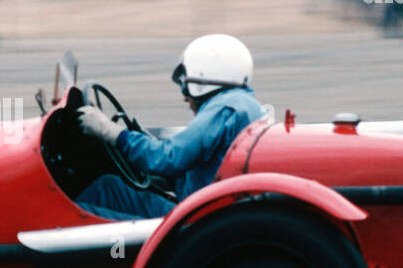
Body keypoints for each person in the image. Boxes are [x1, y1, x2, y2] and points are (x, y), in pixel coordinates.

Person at [73, 34, 265, 221]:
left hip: (195, 219)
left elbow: (169, 158)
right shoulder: (242, 104)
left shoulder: (224, 108)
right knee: (109, 186)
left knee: (84, 208)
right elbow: (191, 162)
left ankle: (61, 242)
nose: (184, 96)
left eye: (185, 84)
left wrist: (114, 133)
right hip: (207, 208)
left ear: (204, 78)